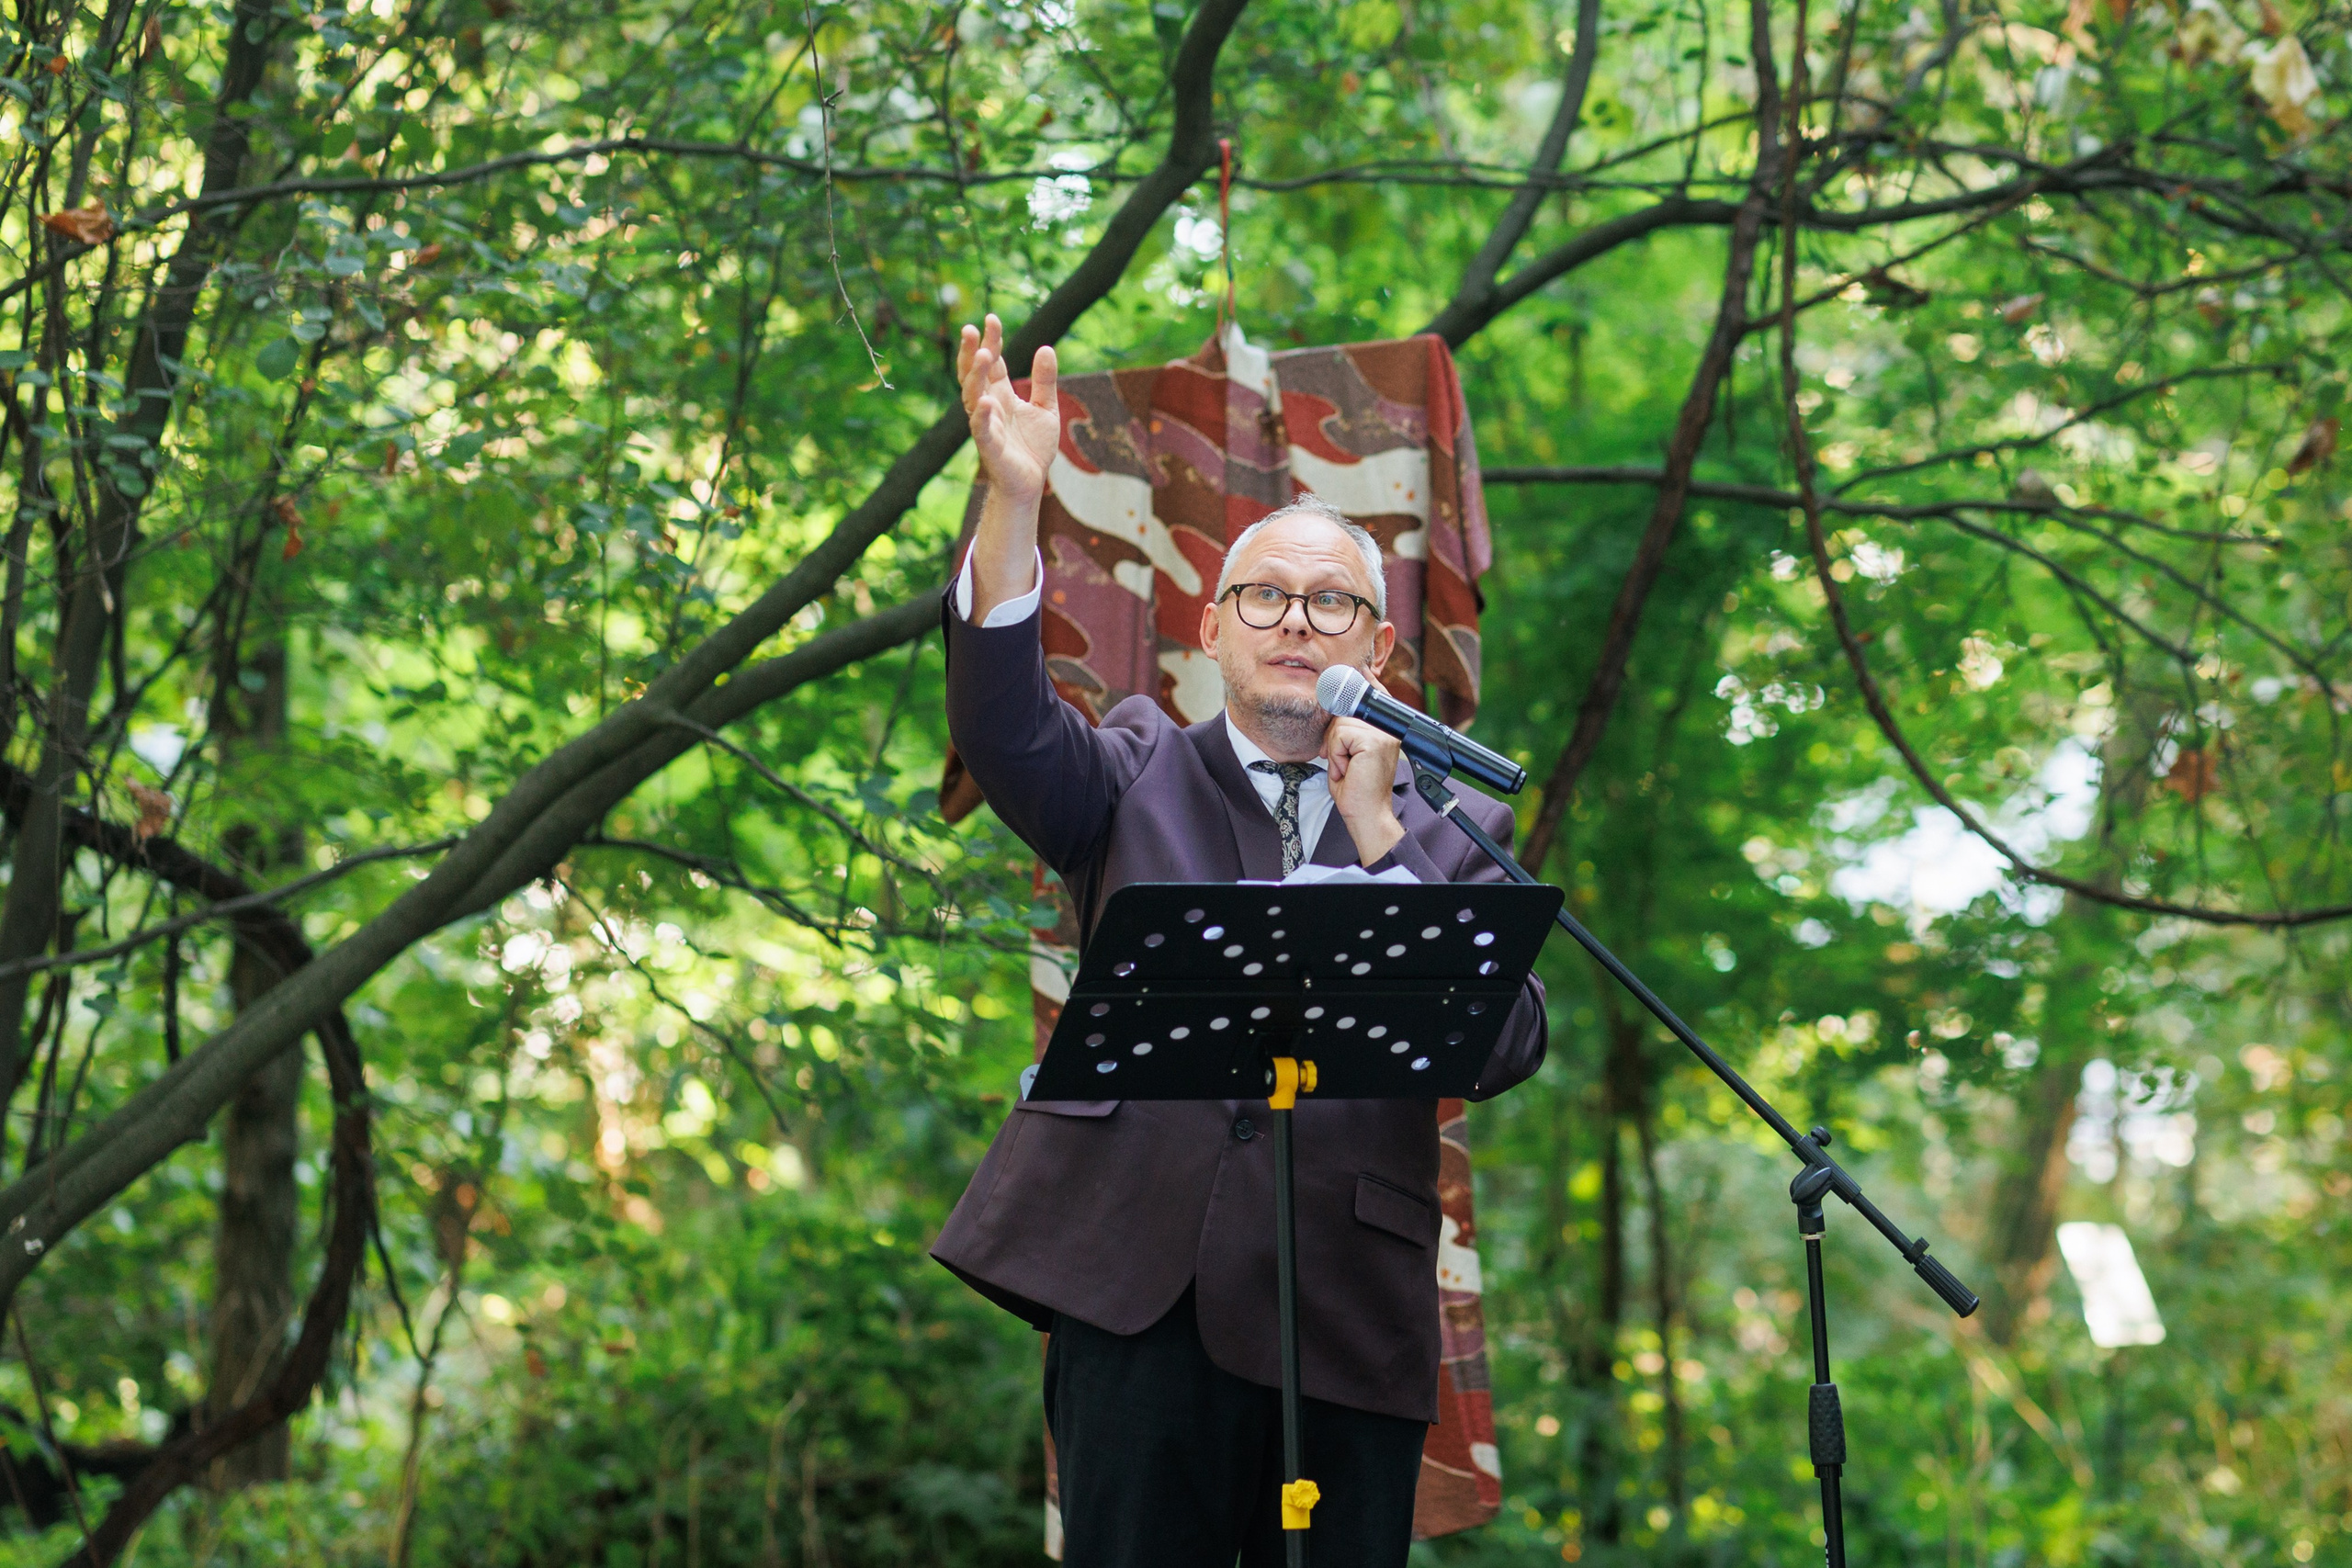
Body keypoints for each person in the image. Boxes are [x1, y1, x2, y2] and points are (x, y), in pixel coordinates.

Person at [929, 315, 1549, 1567]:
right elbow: (1002, 732)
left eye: (1332, 604)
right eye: (1264, 595)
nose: (1296, 622)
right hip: (1133, 1293)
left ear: (1377, 650)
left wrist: (1381, 834)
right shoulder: (1133, 772)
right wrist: (1011, 498)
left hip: (1346, 1318)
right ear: (1211, 631)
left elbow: (1507, 1041)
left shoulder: (1451, 818)